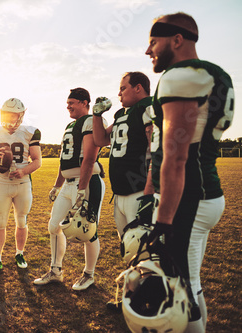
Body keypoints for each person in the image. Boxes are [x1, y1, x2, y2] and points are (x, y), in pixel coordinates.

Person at [144, 12, 234, 332]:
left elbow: (176, 156)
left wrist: (164, 221)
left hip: (189, 198)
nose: (148, 50)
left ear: (177, 40)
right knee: (189, 281)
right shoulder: (215, 74)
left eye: (153, 41)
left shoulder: (181, 75)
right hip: (203, 192)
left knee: (180, 289)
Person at [34, 88, 106, 290]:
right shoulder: (70, 125)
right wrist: (57, 185)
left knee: (87, 230)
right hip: (68, 183)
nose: (68, 106)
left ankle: (88, 275)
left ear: (85, 102)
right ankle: (56, 271)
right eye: (67, 102)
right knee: (54, 226)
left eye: (72, 102)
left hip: (87, 182)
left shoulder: (91, 121)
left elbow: (90, 157)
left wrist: (82, 189)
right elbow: (64, 160)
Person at [0, 98, 42, 274]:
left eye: (14, 115)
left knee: (21, 221)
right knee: (0, 223)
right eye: (7, 115)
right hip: (3, 184)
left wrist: (23, 171)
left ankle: (19, 254)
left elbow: (37, 161)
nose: (11, 119)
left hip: (22, 184)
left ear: (20, 116)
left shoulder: (30, 132)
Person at [93, 72, 153, 237]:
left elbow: (158, 152)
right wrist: (97, 115)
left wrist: (150, 193)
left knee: (142, 250)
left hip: (140, 192)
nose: (119, 94)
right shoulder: (122, 114)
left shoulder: (147, 107)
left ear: (138, 88)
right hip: (120, 193)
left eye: (123, 89)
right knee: (128, 249)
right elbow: (100, 139)